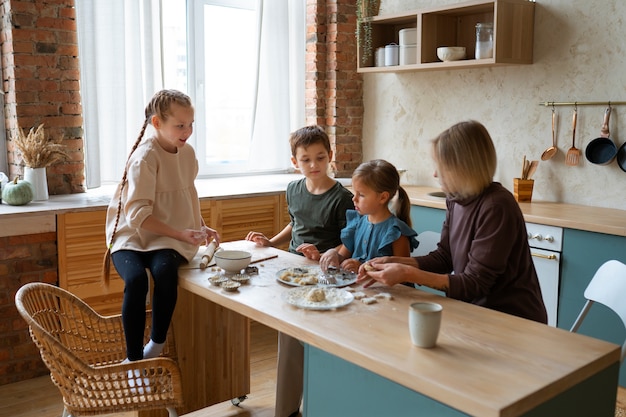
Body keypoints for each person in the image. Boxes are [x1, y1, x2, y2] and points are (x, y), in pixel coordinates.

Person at [357, 120, 547, 324]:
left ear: (463, 168)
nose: (435, 174)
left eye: (441, 167)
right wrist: (393, 261)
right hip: (474, 313)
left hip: (512, 319)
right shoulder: (456, 200)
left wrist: (407, 273)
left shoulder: (497, 206)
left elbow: (475, 282)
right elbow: (444, 257)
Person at [245, 125, 354, 417]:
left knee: (306, 341)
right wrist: (271, 241)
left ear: (330, 156)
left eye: (320, 158)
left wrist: (325, 257)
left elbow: (350, 242)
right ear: (295, 162)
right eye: (306, 159)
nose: (314, 165)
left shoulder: (342, 198)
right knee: (290, 335)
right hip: (292, 270)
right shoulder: (293, 189)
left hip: (326, 275)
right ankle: (290, 408)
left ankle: (302, 406)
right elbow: (296, 224)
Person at [105, 89, 220, 363]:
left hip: (165, 238)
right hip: (129, 237)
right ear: (157, 123)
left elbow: (185, 194)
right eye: (180, 125)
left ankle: (156, 344)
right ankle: (133, 360)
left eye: (191, 124)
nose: (188, 131)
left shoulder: (188, 153)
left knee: (165, 273)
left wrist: (201, 226)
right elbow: (138, 216)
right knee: (136, 281)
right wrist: (181, 233)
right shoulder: (145, 158)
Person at [319, 159, 418, 273]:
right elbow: (342, 256)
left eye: (361, 195)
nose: (354, 198)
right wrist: (331, 254)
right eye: (354, 192)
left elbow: (402, 276)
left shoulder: (396, 233)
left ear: (383, 197)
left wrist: (364, 269)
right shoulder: (357, 222)